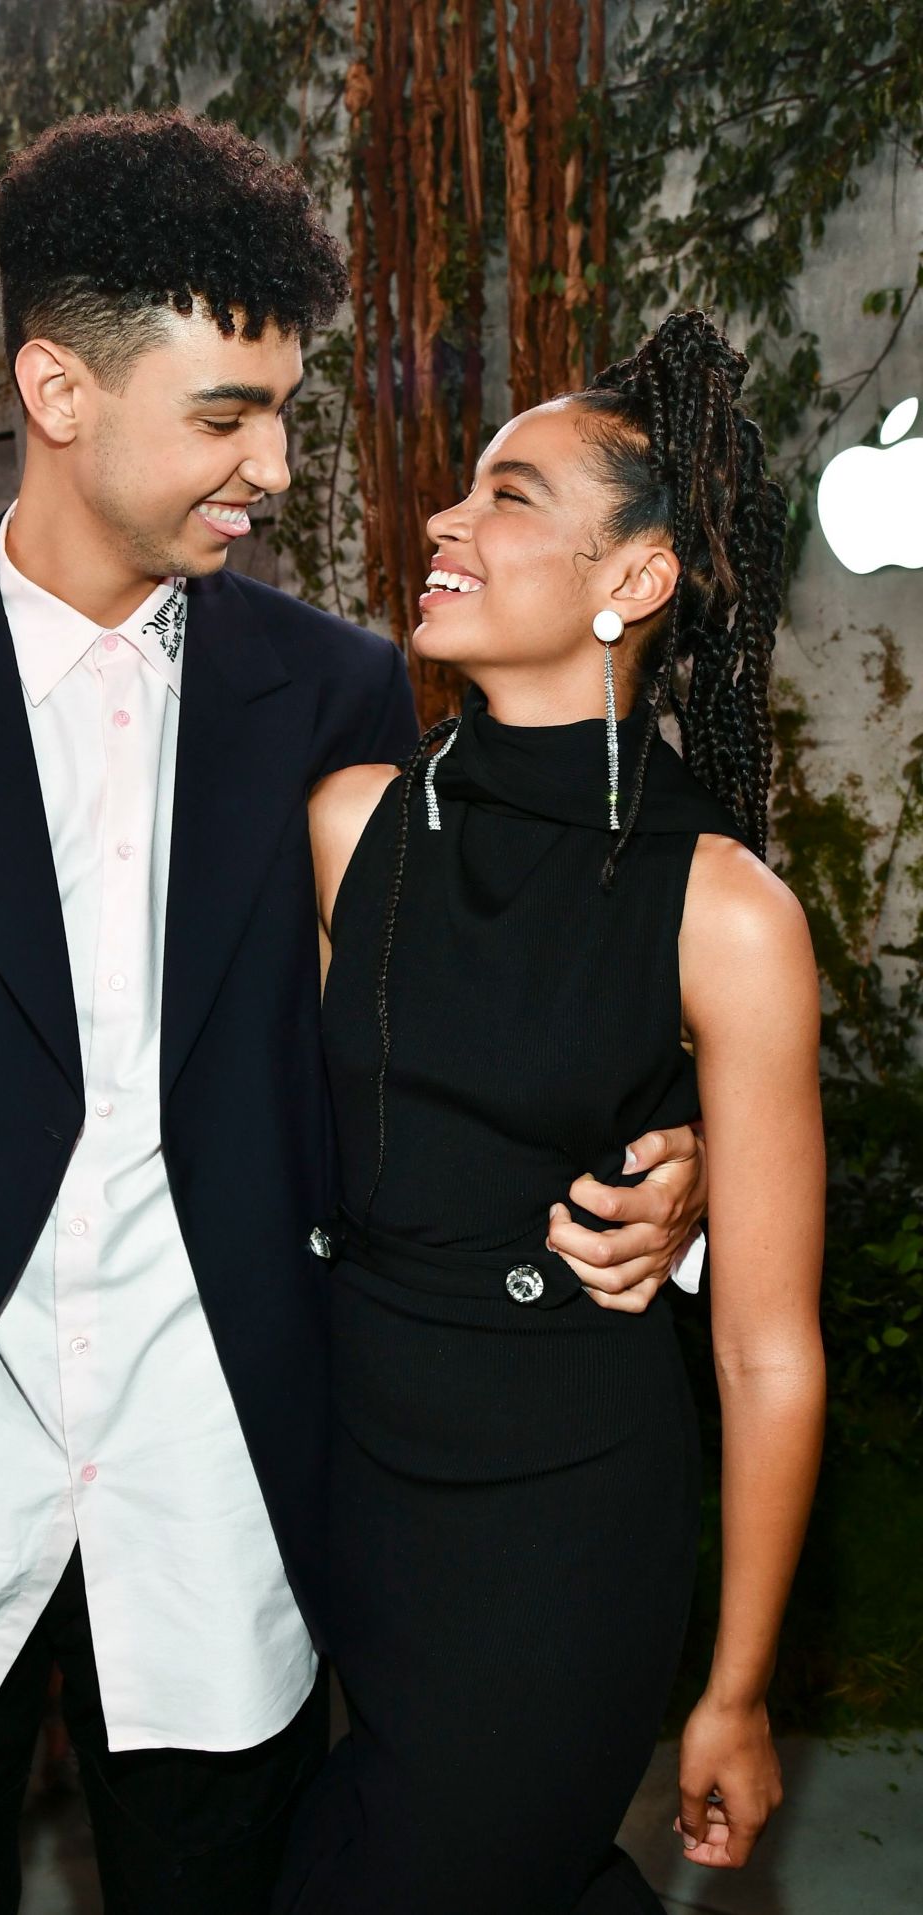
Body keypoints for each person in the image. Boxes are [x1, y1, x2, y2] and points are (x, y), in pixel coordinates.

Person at [0, 113, 707, 1915]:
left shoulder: (333, 694)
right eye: (229, 415)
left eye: (284, 413)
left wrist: (671, 1173)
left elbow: (469, 1026)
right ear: (58, 389)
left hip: (221, 1487)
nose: (274, 465)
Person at [279, 310, 827, 1915]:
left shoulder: (725, 908)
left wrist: (736, 1686)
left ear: (633, 581)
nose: (446, 518)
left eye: (509, 496)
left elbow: (769, 1349)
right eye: (463, 487)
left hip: (566, 1513)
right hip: (359, 1489)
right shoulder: (351, 825)